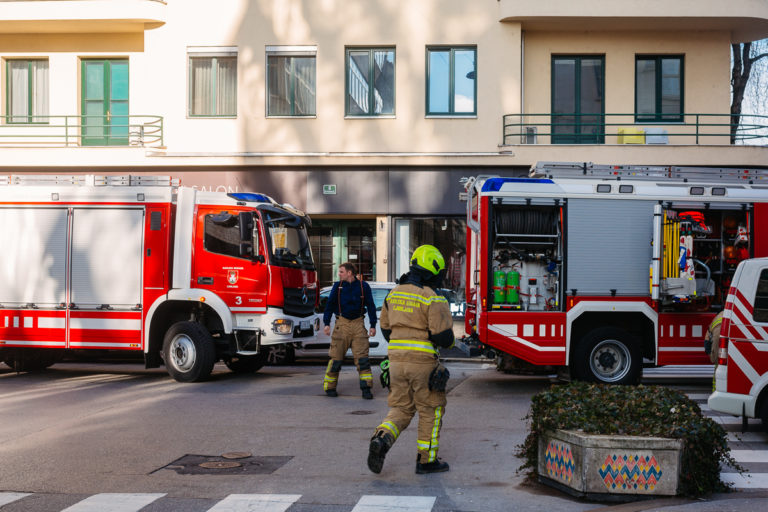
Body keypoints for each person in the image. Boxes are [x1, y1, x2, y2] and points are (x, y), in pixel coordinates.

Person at [367, 244, 455, 475]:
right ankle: (426, 461)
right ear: (433, 269)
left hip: (395, 362)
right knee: (431, 410)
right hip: (422, 363)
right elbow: (443, 336)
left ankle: (382, 438)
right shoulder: (431, 297)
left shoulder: (393, 293)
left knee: (401, 408)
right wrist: (451, 342)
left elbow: (386, 330)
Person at [322, 262, 377, 399]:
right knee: (336, 359)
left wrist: (373, 325)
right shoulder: (337, 287)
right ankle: (330, 388)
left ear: (349, 273)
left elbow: (370, 306)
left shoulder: (364, 287)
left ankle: (366, 389)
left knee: (363, 360)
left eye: (341, 272)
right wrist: (327, 323)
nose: (339, 274)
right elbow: (329, 305)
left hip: (359, 325)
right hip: (342, 325)